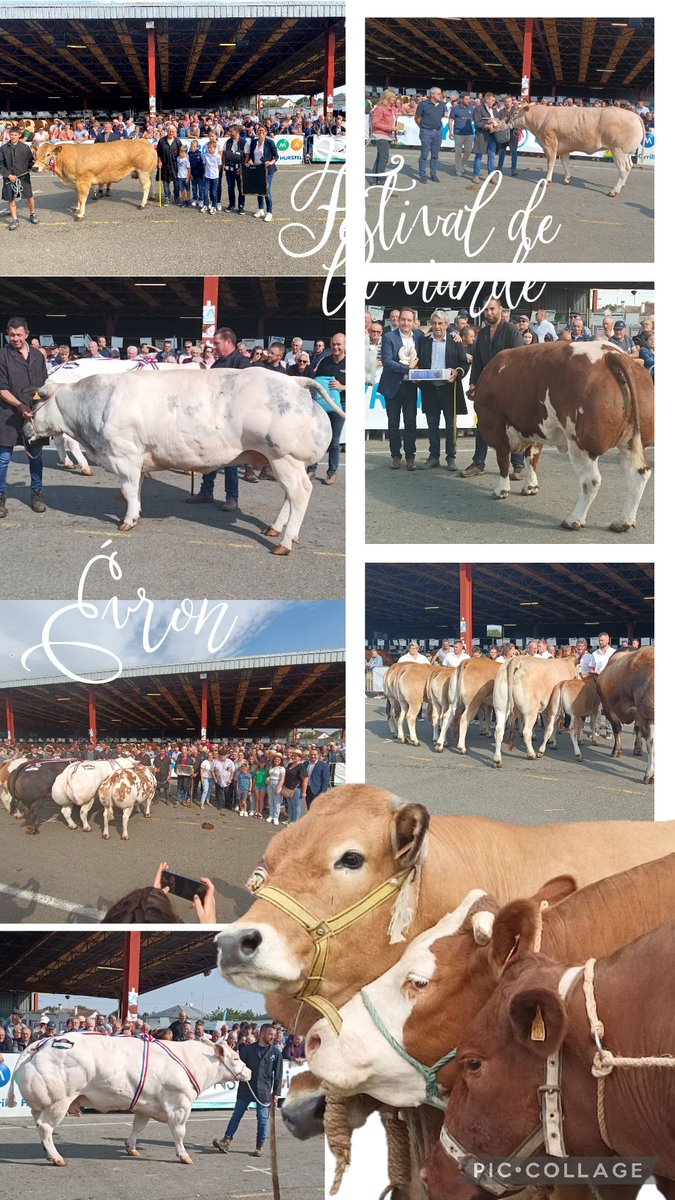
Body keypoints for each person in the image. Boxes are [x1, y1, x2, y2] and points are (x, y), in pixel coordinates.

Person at [185, 326, 251, 513]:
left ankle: (232, 497)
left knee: (230, 460)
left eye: (217, 343)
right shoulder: (216, 365)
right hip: (212, 418)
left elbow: (244, 391)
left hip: (232, 420)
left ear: (229, 342)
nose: (214, 347)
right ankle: (206, 492)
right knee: (209, 457)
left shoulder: (242, 363)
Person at [460, 297, 525, 480]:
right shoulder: (481, 334)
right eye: (486, 310)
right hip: (487, 389)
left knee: (513, 426)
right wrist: (473, 383)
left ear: (500, 309)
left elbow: (519, 360)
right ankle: (478, 463)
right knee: (483, 425)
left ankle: (518, 465)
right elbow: (478, 362)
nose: (489, 313)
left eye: (492, 309)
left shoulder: (511, 331)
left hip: (510, 389)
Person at [0, 315, 48, 518]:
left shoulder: (38, 356)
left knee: (36, 458)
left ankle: (36, 493)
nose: (15, 338)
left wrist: (34, 404)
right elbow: (2, 388)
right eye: (12, 335)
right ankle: (1, 497)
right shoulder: (2, 355)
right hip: (8, 414)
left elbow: (42, 385)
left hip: (33, 415)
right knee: (3, 459)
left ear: (27, 334)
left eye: (19, 334)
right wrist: (20, 405)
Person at [213, 1024, 283, 1158]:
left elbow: (278, 1075)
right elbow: (238, 1066)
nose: (273, 1037)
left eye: (274, 1035)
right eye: (270, 1034)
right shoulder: (248, 1049)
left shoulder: (276, 1053)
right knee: (236, 1115)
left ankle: (259, 1146)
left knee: (262, 1119)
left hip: (263, 1091)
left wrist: (276, 1093)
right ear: (262, 1034)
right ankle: (226, 1140)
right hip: (246, 1088)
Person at [417, 309, 468, 471]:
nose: (437, 326)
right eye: (434, 323)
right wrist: (416, 374)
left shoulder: (455, 341)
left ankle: (451, 458)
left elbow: (464, 364)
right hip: (430, 389)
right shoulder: (424, 342)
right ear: (431, 324)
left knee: (451, 426)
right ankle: (433, 457)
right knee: (432, 425)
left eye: (440, 323)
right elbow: (418, 363)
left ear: (447, 325)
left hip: (449, 390)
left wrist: (457, 372)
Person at [379, 307, 425, 469]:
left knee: (411, 422)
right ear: (398, 320)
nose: (405, 323)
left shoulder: (419, 336)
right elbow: (387, 361)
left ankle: (410, 456)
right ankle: (395, 456)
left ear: (414, 323)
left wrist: (455, 335)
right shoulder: (389, 337)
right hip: (392, 386)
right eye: (403, 319)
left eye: (409, 320)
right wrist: (408, 369)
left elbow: (437, 334)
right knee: (393, 423)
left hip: (410, 387)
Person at [308, 333, 346, 485]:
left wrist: (342, 387)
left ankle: (331, 473)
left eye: (339, 344)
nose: (336, 347)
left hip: (340, 406)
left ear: (345, 346)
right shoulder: (324, 361)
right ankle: (311, 468)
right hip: (322, 406)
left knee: (335, 441)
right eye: (334, 344)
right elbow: (316, 381)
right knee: (317, 438)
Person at [0, 126, 38, 230]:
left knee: (30, 196)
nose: (13, 137)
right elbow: (0, 165)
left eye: (16, 135)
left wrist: (33, 167)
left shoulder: (25, 147)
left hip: (24, 177)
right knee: (11, 199)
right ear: (9, 135)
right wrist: (9, 175)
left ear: (19, 135)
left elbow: (30, 162)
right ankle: (14, 219)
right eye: (12, 135)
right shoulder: (3, 149)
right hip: (9, 178)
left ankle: (32, 214)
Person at [245, 124, 279, 222]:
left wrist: (270, 162)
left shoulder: (270, 142)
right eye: (259, 130)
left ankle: (269, 212)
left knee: (266, 189)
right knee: (259, 189)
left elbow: (276, 156)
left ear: (266, 132)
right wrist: (250, 160)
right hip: (257, 168)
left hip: (268, 169)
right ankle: (260, 209)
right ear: (257, 132)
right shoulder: (253, 142)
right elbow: (252, 155)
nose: (261, 132)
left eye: (263, 130)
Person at [415, 87, 445, 184]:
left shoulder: (442, 105)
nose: (441, 95)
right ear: (432, 94)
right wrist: (423, 127)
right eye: (439, 94)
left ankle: (433, 174)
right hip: (426, 131)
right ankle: (423, 174)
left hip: (438, 132)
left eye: (441, 94)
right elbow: (417, 118)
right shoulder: (423, 104)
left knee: (435, 155)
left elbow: (440, 117)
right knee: (424, 154)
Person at [470, 92, 501, 185]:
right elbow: (477, 122)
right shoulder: (478, 109)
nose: (494, 102)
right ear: (487, 100)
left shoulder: (495, 110)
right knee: (479, 156)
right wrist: (487, 126)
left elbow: (498, 121)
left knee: (492, 157)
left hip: (492, 136)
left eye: (494, 100)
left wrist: (497, 126)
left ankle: (491, 176)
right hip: (482, 136)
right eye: (492, 100)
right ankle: (476, 175)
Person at [370, 90, 397, 183]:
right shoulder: (380, 108)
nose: (394, 99)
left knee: (380, 157)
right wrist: (390, 128)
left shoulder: (391, 109)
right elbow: (375, 123)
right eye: (393, 97)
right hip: (381, 135)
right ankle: (381, 179)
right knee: (384, 158)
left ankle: (374, 177)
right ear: (388, 97)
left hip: (388, 135)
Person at [448, 92, 475, 178]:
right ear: (462, 99)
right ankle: (458, 168)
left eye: (469, 99)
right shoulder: (455, 109)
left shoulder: (471, 108)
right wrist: (451, 131)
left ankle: (461, 165)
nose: (469, 101)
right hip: (458, 133)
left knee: (468, 151)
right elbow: (451, 120)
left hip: (469, 133)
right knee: (458, 152)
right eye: (467, 99)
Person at [223, 125, 246, 213]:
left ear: (236, 132)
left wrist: (242, 167)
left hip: (240, 169)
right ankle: (231, 204)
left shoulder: (244, 142)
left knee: (241, 188)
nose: (229, 133)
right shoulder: (227, 142)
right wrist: (224, 164)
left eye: (231, 131)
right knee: (230, 188)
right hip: (229, 169)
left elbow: (246, 156)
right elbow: (224, 154)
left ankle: (241, 205)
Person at [156, 125, 181, 204]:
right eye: (169, 131)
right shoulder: (161, 141)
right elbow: (158, 153)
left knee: (176, 183)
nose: (171, 133)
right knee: (165, 183)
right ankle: (167, 197)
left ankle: (177, 197)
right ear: (167, 131)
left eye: (172, 131)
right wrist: (159, 161)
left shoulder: (177, 141)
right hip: (165, 164)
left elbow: (181, 153)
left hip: (175, 165)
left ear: (175, 132)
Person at [266, 754, 286, 825]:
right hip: (270, 784)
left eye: (278, 760)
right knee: (270, 801)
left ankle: (276, 817)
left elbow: (282, 779)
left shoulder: (282, 768)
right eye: (275, 759)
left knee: (277, 802)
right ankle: (271, 815)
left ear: (281, 761)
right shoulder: (272, 767)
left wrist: (278, 787)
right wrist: (268, 779)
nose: (276, 761)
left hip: (277, 784)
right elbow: (270, 776)